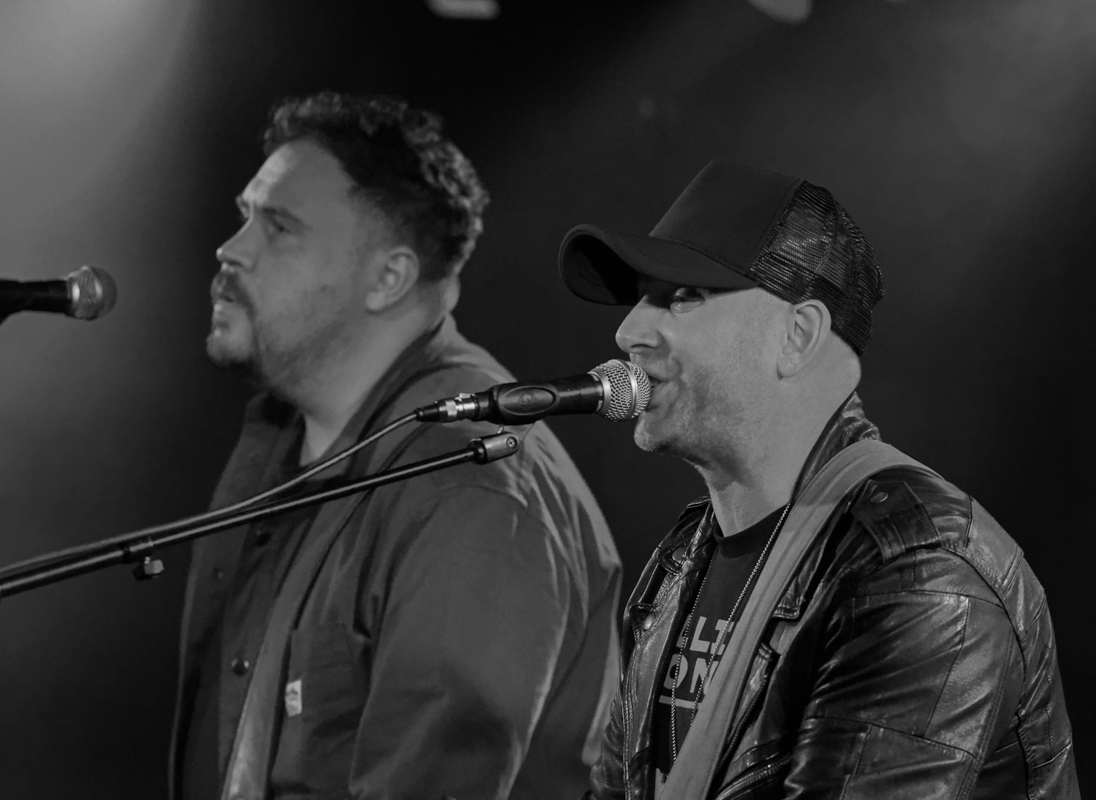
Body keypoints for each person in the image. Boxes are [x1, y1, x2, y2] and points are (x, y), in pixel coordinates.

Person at [558, 160, 1078, 799]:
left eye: (683, 296)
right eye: (642, 296)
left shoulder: (922, 572)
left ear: (797, 336)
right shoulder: (681, 559)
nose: (629, 331)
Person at [170, 92, 622, 800]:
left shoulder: (467, 484)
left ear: (388, 278)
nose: (232, 249)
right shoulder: (286, 441)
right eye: (245, 215)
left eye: (279, 227)